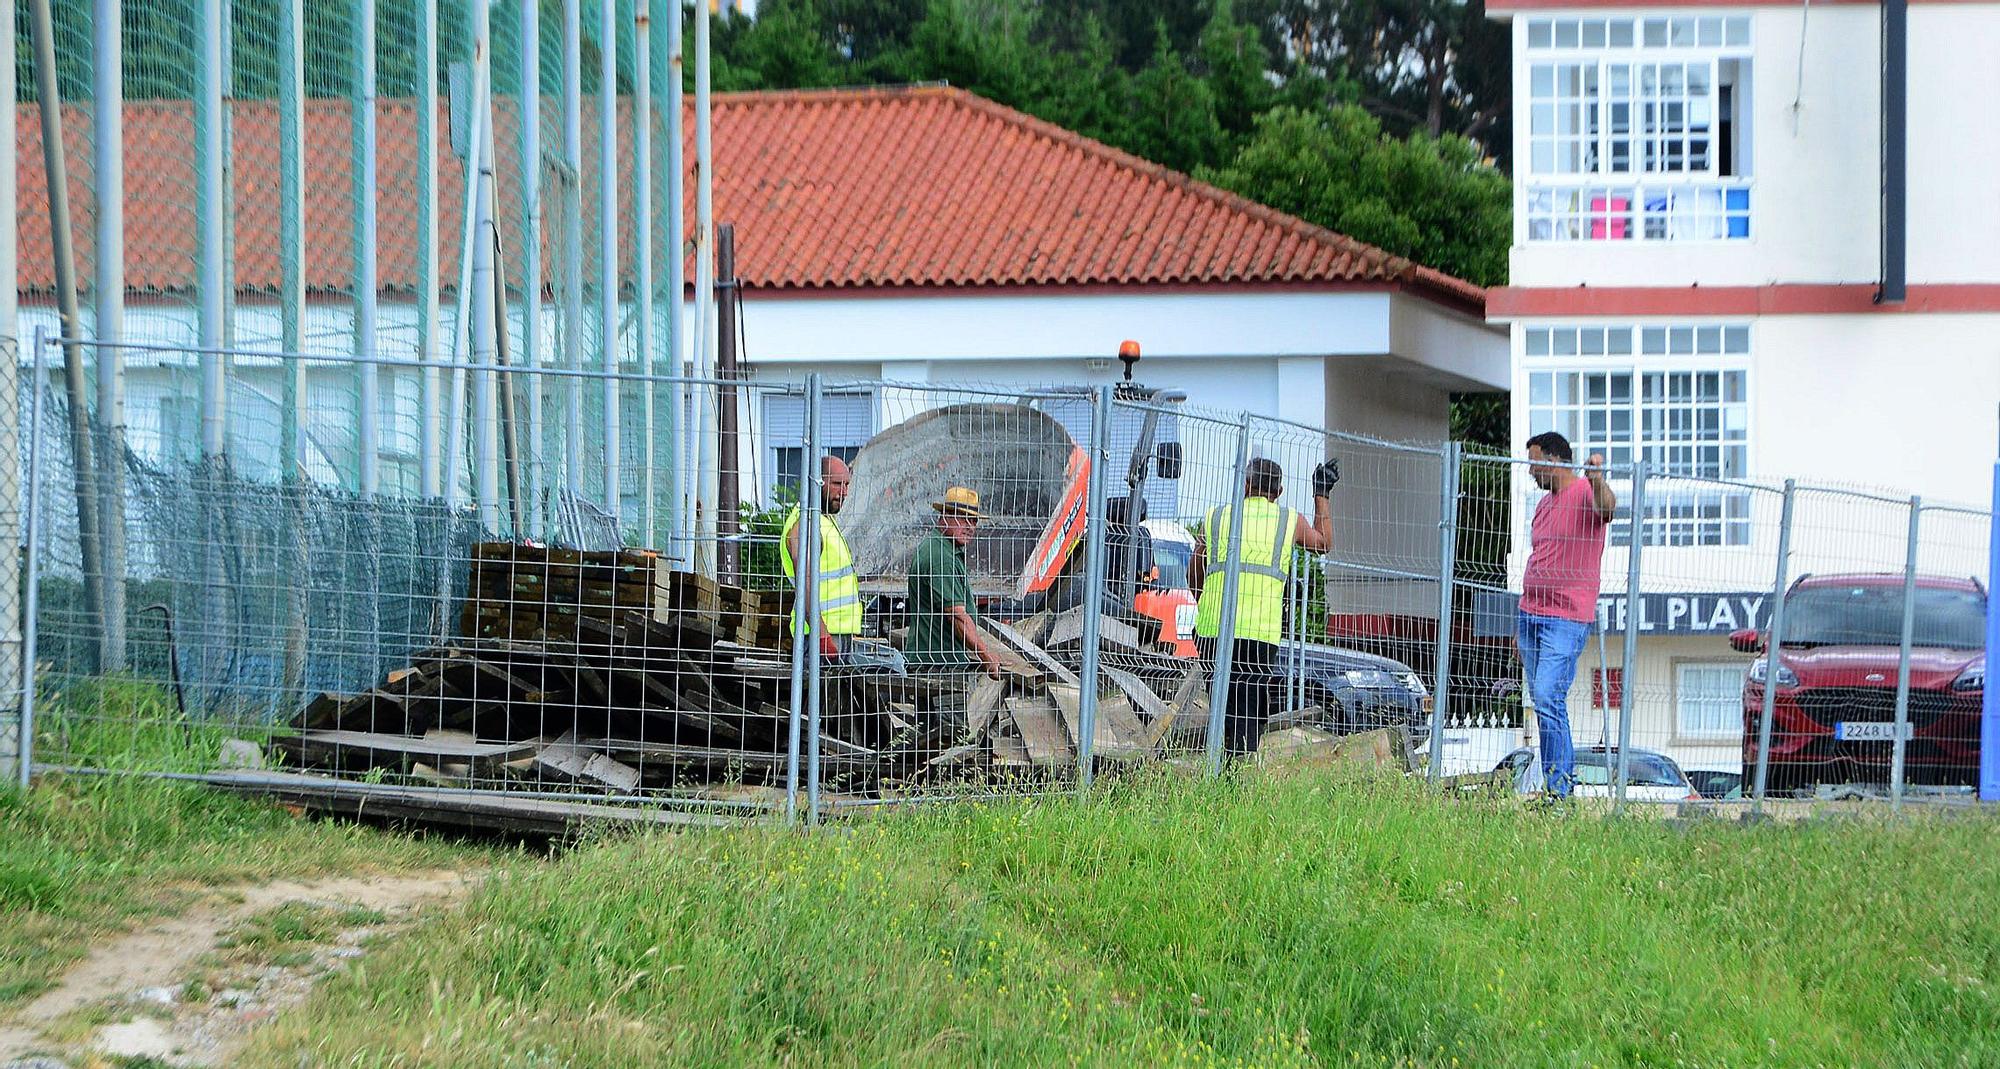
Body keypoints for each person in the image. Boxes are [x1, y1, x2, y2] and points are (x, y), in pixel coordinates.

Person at [1189, 457, 1335, 756]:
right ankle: (1239, 771)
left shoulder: (1217, 517)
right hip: (1259, 634)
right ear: (1279, 491)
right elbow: (1323, 544)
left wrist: (1205, 602)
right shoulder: (1288, 521)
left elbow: (1194, 571)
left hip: (1213, 629)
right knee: (1250, 711)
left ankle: (1218, 768)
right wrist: (1321, 494)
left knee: (1220, 704)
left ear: (1246, 484)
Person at [1517, 430, 1616, 800]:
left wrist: (1598, 479)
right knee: (1542, 703)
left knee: (1547, 696)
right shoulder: (1543, 506)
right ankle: (1553, 788)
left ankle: (1560, 791)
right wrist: (1521, 619)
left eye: (1534, 462)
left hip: (1566, 618)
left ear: (1553, 460)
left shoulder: (1585, 493)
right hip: (1530, 615)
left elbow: (1608, 510)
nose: (1530, 471)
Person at [782, 456, 903, 674]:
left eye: (847, 485)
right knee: (824, 704)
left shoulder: (823, 522)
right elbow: (805, 583)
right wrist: (821, 634)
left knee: (837, 704)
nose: (844, 492)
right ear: (817, 481)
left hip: (834, 635)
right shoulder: (806, 525)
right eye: (837, 484)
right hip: (821, 637)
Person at [905, 486, 1003, 680]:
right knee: (949, 711)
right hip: (940, 667)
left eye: (973, 520)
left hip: (933, 662)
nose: (970, 527)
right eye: (963, 518)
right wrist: (987, 657)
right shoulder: (941, 557)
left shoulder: (939, 548)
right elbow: (958, 618)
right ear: (944, 516)